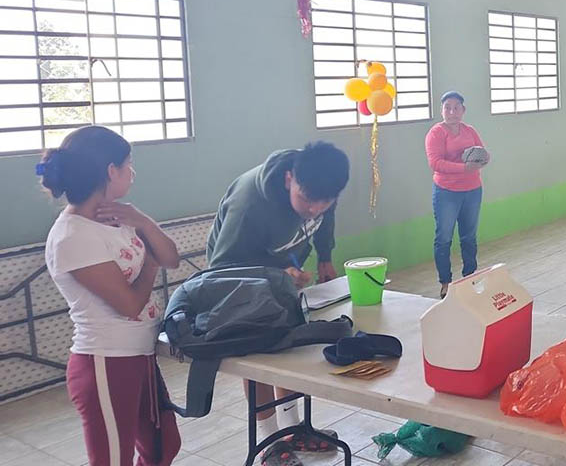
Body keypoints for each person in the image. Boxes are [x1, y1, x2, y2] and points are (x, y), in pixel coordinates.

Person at [41, 125, 182, 466]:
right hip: (106, 360)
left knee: (163, 446)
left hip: (139, 355)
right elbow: (130, 305)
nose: (132, 172)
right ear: (110, 171)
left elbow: (172, 258)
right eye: (129, 164)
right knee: (114, 460)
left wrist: (143, 221)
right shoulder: (73, 235)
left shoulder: (118, 216)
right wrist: (150, 265)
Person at [204, 141, 350, 465]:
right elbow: (222, 269)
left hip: (280, 275)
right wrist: (276, 274)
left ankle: (293, 430)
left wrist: (324, 256)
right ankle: (268, 441)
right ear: (288, 180)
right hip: (240, 284)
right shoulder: (249, 205)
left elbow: (324, 217)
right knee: (259, 357)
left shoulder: (320, 186)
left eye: (325, 202)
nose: (314, 209)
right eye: (307, 200)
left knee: (289, 350)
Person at [424, 91, 488, 299]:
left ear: (463, 110)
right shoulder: (436, 133)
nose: (452, 112)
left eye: (456, 107)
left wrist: (484, 158)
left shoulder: (470, 130)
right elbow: (435, 163)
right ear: (442, 110)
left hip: (472, 190)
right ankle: (445, 282)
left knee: (469, 237)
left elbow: (482, 152)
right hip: (446, 192)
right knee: (444, 238)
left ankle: (470, 277)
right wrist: (464, 168)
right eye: (447, 108)